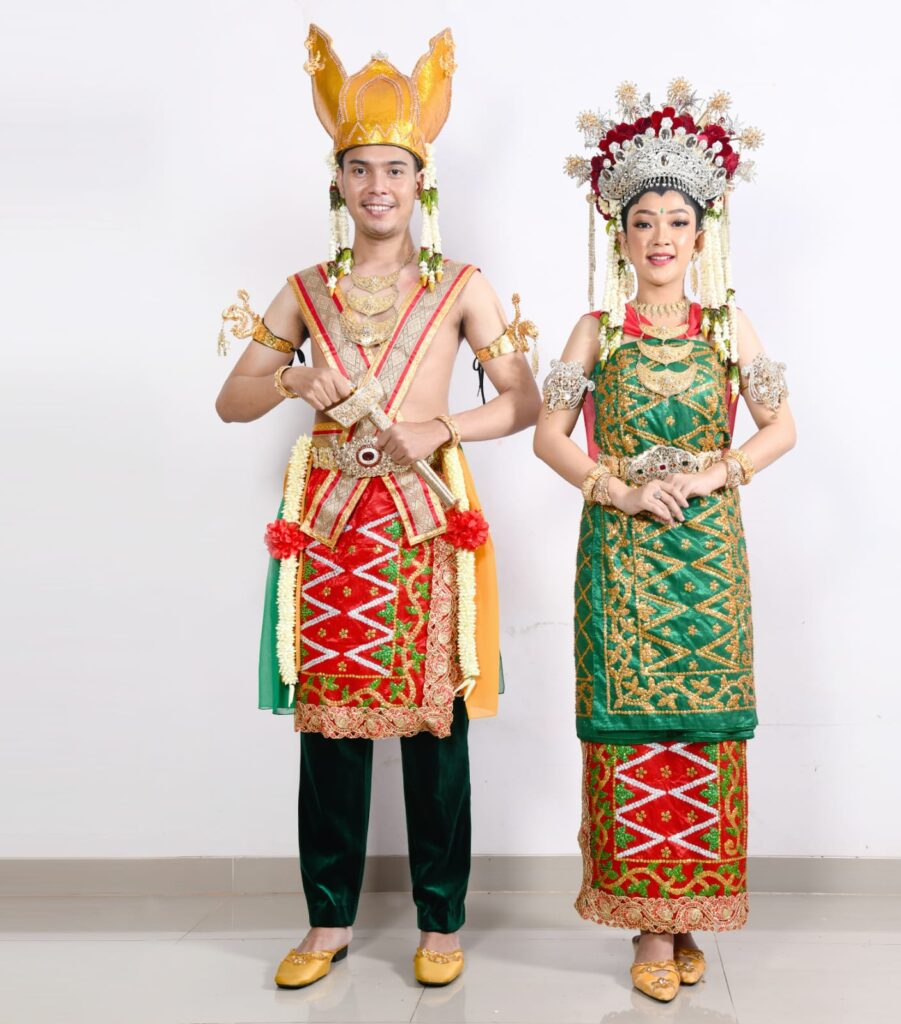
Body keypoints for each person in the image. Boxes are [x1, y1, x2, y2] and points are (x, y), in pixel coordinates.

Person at [216, 24, 540, 990]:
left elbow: (524, 403)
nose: (378, 186)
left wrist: (441, 427)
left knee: (436, 726)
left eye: (394, 169)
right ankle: (327, 923)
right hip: (328, 529)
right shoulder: (304, 291)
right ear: (339, 182)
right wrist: (290, 381)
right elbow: (232, 399)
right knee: (331, 732)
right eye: (360, 169)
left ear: (420, 181)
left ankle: (440, 920)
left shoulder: (460, 288)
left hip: (423, 521)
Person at [534, 78, 795, 1002]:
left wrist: (712, 475)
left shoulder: (728, 328)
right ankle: (648, 926)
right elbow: (549, 439)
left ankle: (691, 912)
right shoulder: (594, 333)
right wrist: (622, 490)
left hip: (709, 555)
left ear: (700, 234)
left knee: (704, 734)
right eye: (642, 221)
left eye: (677, 222)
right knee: (635, 734)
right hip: (622, 556)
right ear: (620, 234)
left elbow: (780, 428)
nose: (660, 238)